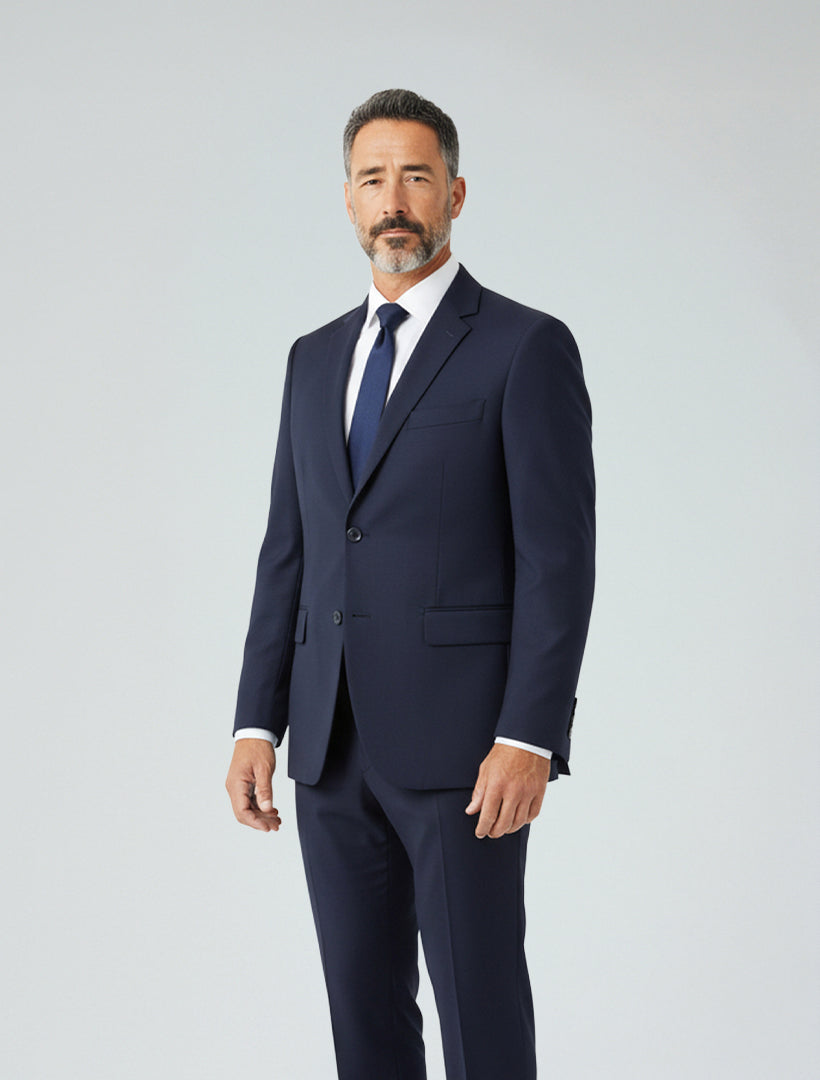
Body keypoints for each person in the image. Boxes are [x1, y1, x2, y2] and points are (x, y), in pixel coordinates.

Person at [225, 88, 595, 1080]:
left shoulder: (523, 347)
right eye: (373, 178)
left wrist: (529, 736)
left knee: (478, 1009)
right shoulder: (311, 362)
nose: (395, 199)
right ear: (346, 199)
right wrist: (256, 722)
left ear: (455, 195)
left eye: (417, 177)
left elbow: (557, 560)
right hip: (328, 749)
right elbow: (288, 552)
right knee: (363, 1018)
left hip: (465, 753)